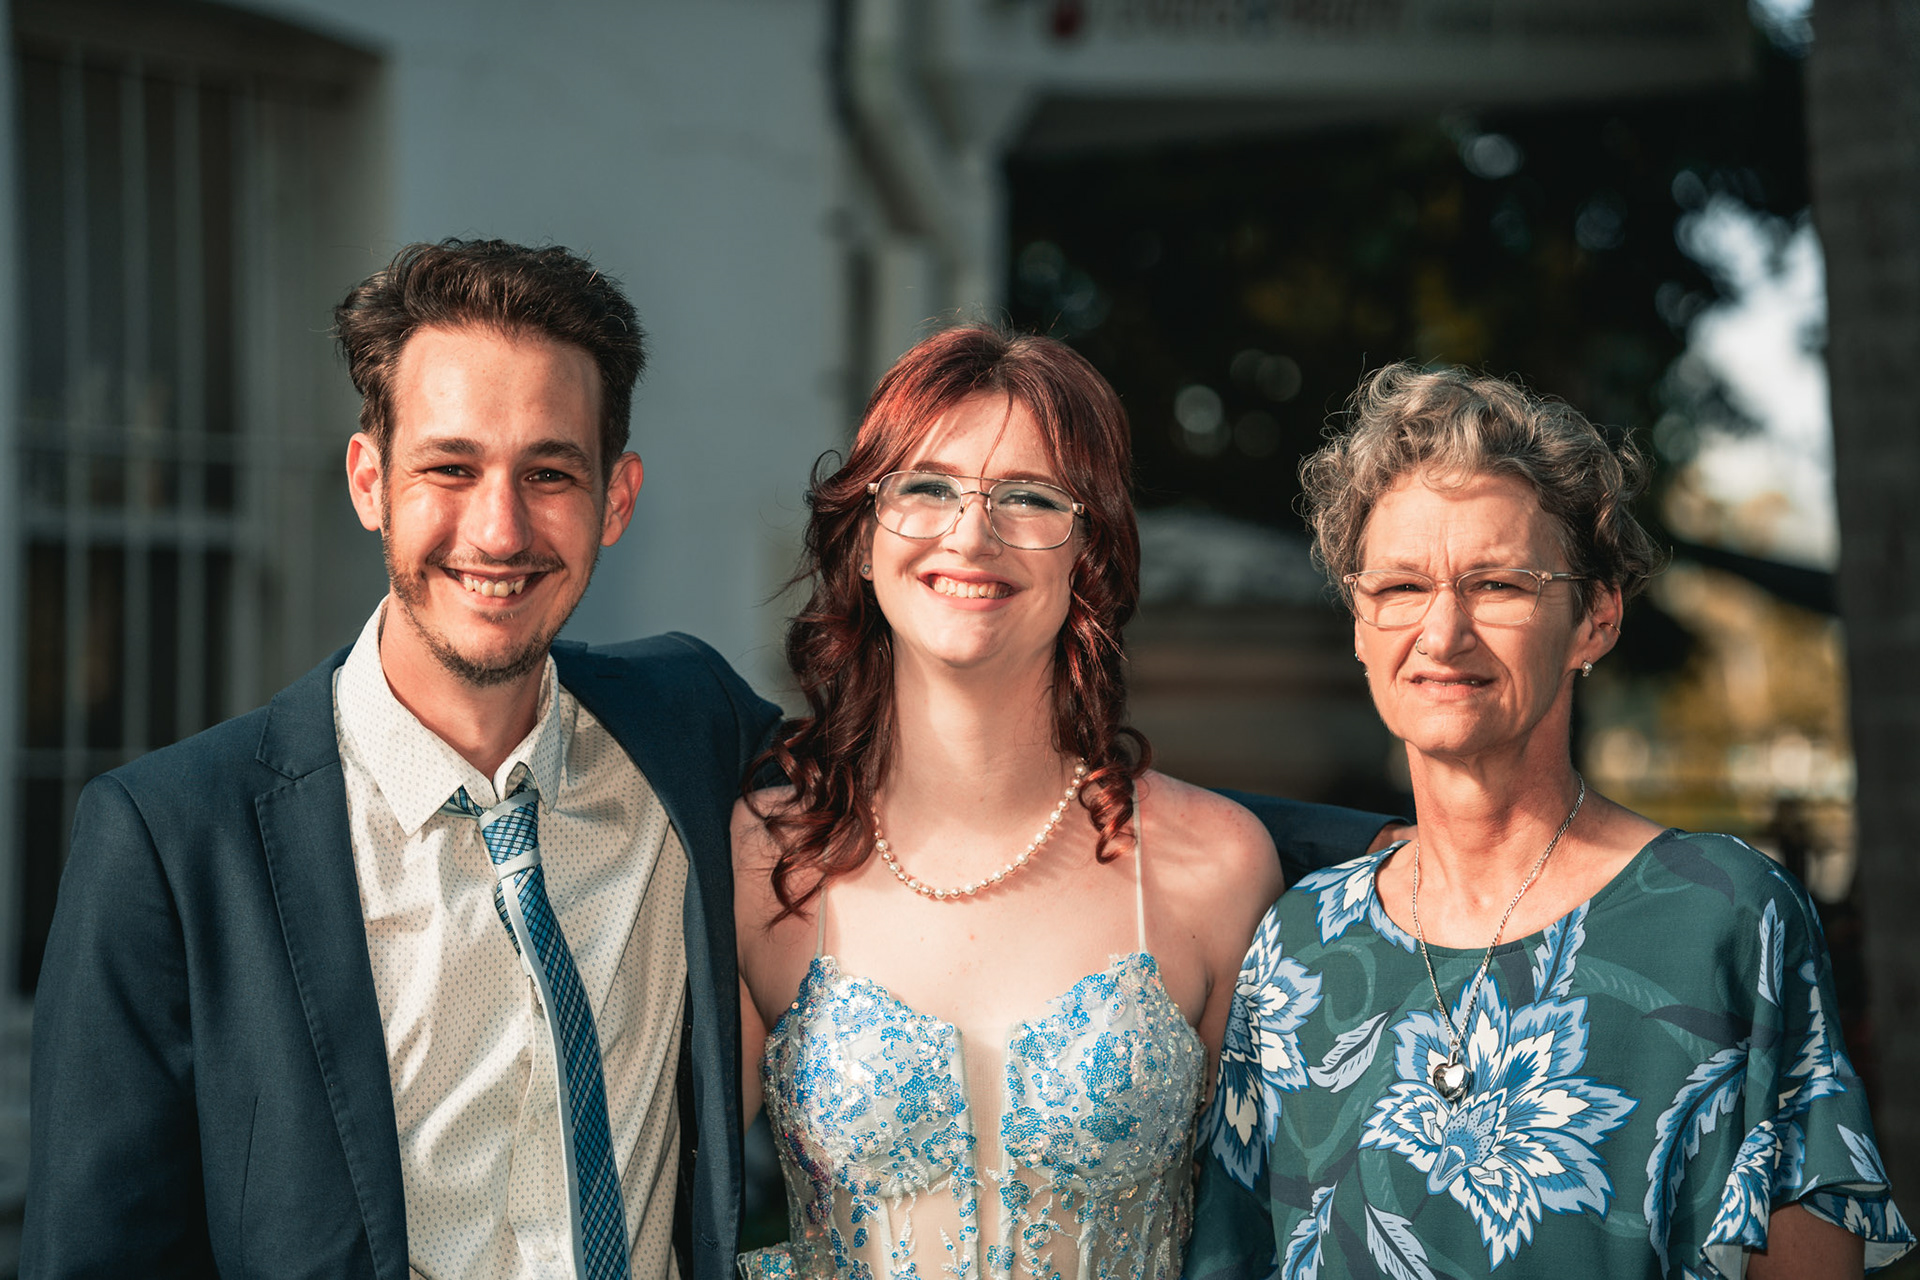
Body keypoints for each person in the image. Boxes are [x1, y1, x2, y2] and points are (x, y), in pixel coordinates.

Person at [25, 240, 781, 1280]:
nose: (499, 530)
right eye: (450, 468)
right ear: (370, 480)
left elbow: (905, 790)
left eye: (549, 473)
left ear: (617, 497)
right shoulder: (171, 843)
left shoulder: (692, 731)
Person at [1187, 364, 1915, 1279]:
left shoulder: (1725, 919)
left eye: (1497, 584)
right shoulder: (1295, 946)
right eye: (1401, 587)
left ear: (1595, 619)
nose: (1442, 634)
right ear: (1360, 625)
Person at [729, 325, 1400, 1280]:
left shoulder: (1216, 867)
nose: (972, 534)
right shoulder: (764, 859)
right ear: (865, 541)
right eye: (928, 488)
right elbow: (656, 1194)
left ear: (1090, 555)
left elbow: (1278, 1230)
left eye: (1029, 497)